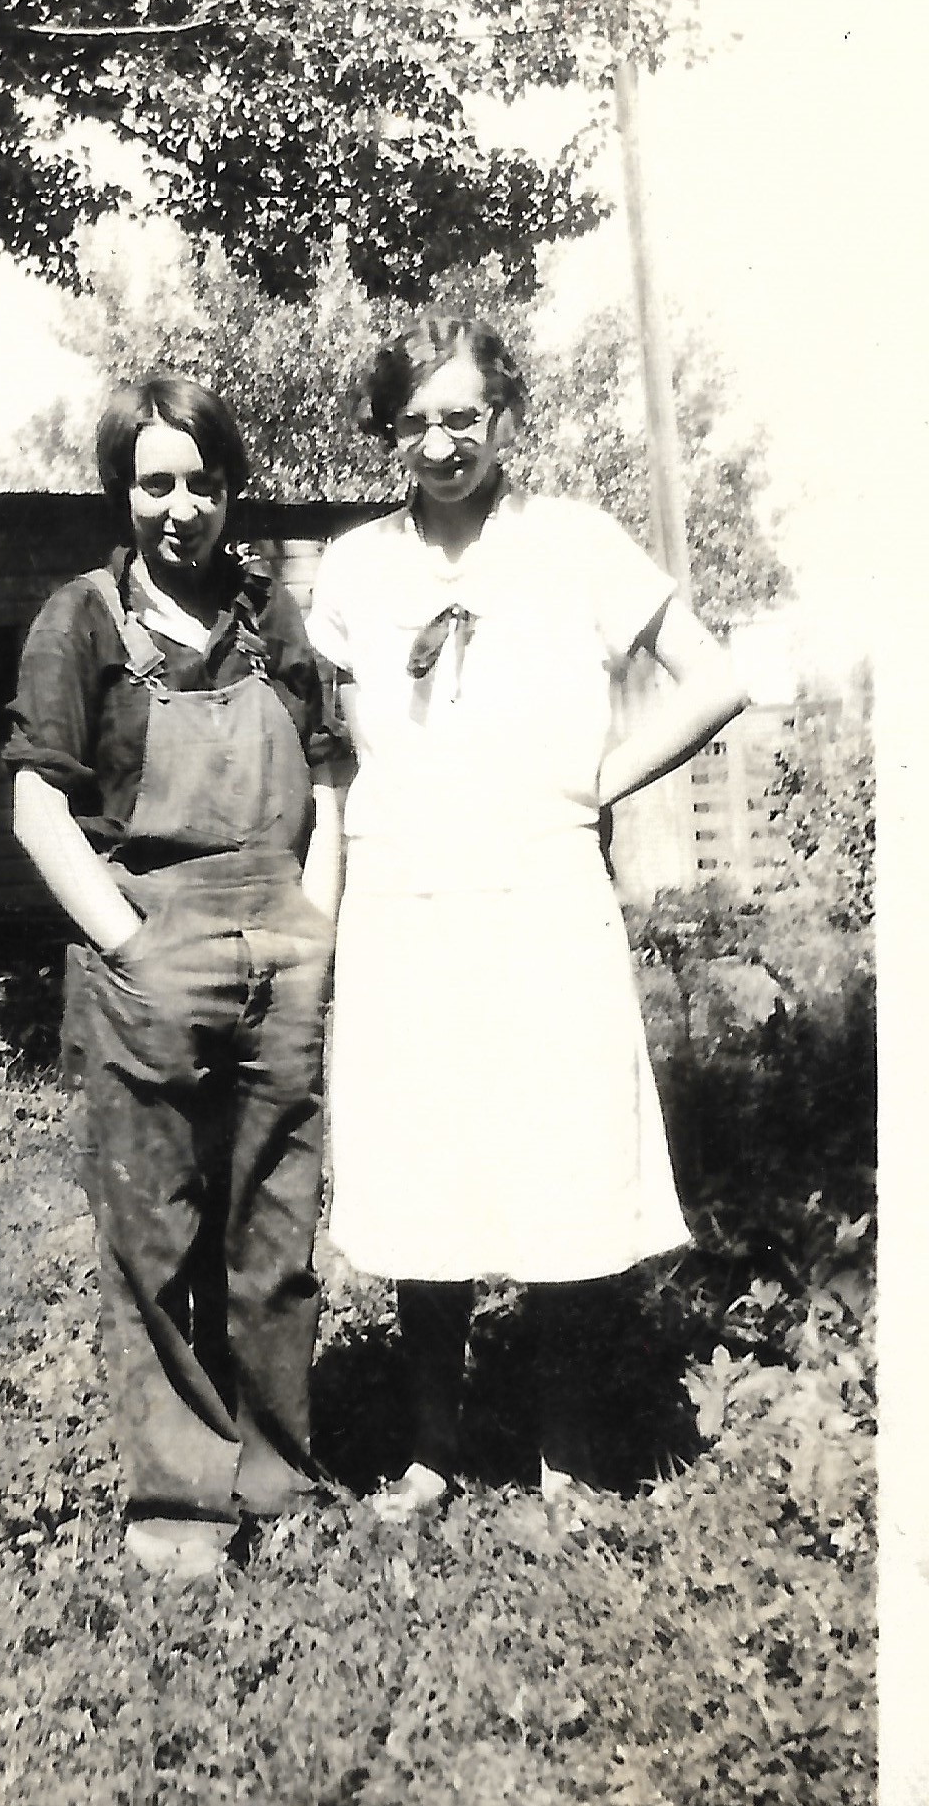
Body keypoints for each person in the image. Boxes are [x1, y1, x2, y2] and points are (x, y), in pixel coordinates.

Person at [306, 315, 748, 1514]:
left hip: (541, 895)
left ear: (505, 417)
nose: (441, 442)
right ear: (389, 432)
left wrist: (597, 781)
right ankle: (431, 1452)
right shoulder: (353, 569)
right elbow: (340, 754)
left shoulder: (575, 543)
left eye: (464, 415)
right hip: (406, 901)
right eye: (415, 421)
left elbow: (715, 678)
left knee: (560, 1156)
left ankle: (567, 1454)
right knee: (423, 1161)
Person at [6, 375, 341, 1577]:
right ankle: (181, 1505)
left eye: (203, 482)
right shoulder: (81, 622)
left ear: (231, 488)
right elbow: (37, 805)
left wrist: (317, 926)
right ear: (123, 491)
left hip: (280, 950)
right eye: (157, 482)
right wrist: (130, 943)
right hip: (150, 952)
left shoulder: (270, 615)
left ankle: (278, 1476)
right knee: (155, 1239)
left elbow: (330, 781)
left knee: (275, 1232)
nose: (182, 507)